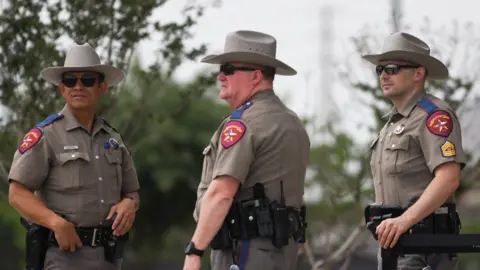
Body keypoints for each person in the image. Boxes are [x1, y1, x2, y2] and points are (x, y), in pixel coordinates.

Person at [182, 30, 310, 270]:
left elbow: (221, 194)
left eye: (229, 69)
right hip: (284, 253)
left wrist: (195, 250)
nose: (220, 75)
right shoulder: (292, 122)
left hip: (245, 252)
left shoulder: (244, 123)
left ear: (255, 76)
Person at [7, 43, 140, 270]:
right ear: (62, 88)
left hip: (109, 255)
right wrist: (55, 223)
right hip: (63, 255)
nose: (78, 86)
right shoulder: (46, 135)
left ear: (102, 87)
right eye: (70, 80)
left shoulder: (113, 139)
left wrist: (130, 204)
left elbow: (132, 192)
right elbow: (17, 194)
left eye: (87, 80)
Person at [362, 32, 467, 270]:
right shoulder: (393, 123)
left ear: (418, 73)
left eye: (392, 68)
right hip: (396, 244)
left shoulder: (434, 116)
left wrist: (404, 221)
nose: (384, 75)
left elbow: (449, 179)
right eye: (380, 70)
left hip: (423, 247)